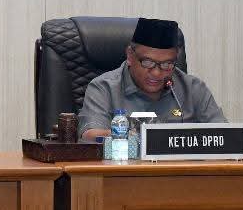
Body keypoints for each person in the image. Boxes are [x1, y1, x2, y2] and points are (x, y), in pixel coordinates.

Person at [78, 18, 225, 140]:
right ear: (130, 55)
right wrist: (149, 138)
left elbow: (225, 135)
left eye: (167, 64)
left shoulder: (193, 89)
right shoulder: (104, 88)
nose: (156, 73)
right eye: (147, 62)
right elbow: (91, 136)